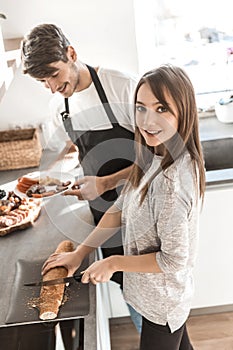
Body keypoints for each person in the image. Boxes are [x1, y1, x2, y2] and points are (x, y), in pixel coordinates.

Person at [42, 64, 206, 350]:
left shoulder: (173, 183)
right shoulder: (154, 155)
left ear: (184, 112)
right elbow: (120, 208)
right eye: (140, 108)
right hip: (152, 298)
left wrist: (114, 262)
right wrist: (81, 253)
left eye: (161, 109)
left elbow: (173, 261)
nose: (147, 120)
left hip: (162, 306)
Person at [20, 22, 142, 347]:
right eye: (42, 82)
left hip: (144, 214)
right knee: (128, 289)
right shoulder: (59, 103)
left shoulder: (122, 87)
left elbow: (159, 161)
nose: (51, 87)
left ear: (71, 54)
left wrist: (104, 182)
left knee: (152, 299)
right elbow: (81, 149)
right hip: (105, 218)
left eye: (54, 76)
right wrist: (71, 178)